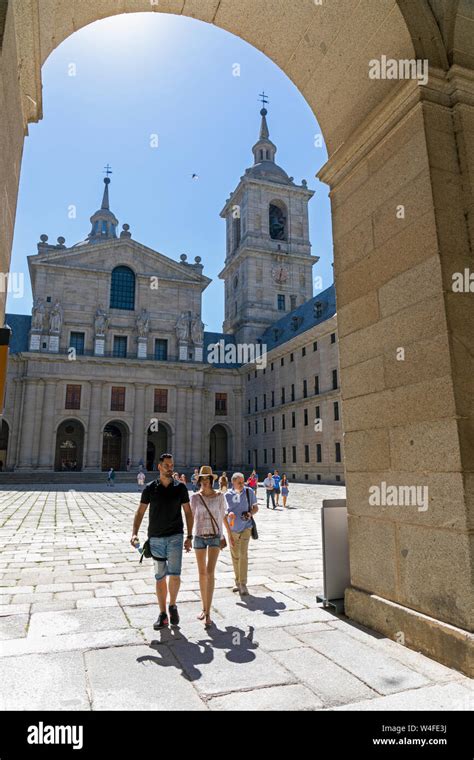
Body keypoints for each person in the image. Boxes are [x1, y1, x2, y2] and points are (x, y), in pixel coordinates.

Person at [130, 453, 193, 630]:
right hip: (156, 538)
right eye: (166, 465)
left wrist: (189, 537)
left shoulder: (180, 488)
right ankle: (163, 613)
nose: (170, 467)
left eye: (171, 465)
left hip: (175, 537)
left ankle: (172, 604)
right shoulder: (150, 488)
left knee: (175, 574)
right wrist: (134, 533)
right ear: (159, 467)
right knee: (159, 577)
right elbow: (140, 512)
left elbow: (188, 512)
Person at [191, 466, 232, 627]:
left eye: (208, 479)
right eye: (203, 479)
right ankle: (204, 607)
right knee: (202, 574)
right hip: (199, 537)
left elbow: (223, 516)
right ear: (199, 480)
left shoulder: (220, 497)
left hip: (215, 537)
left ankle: (208, 613)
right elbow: (191, 519)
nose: (206, 482)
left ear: (212, 480)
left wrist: (228, 535)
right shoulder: (194, 498)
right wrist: (187, 537)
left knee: (209, 572)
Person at [224, 472, 258, 595]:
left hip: (246, 527)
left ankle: (243, 583)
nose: (242, 484)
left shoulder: (249, 492)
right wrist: (229, 515)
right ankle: (237, 581)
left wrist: (250, 514)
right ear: (233, 482)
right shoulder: (227, 495)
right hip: (233, 529)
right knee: (235, 556)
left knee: (243, 554)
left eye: (243, 482)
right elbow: (224, 513)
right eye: (239, 482)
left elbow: (255, 508)